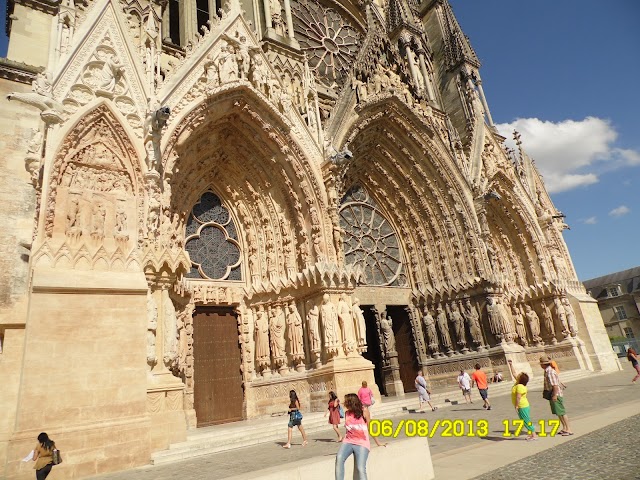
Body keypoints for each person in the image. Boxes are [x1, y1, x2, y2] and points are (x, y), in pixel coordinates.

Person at [335, 393, 370, 480]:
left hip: (362, 443)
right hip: (348, 441)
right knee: (339, 458)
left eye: (346, 401)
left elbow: (370, 427)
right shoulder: (347, 413)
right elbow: (348, 429)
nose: (344, 403)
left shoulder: (364, 411)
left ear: (351, 403)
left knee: (360, 468)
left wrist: (378, 442)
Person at [540, 355, 573, 436]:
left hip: (555, 394)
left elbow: (554, 385)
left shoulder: (550, 372)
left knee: (561, 412)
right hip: (553, 393)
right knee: (558, 412)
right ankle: (564, 428)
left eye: (541, 364)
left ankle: (569, 429)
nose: (540, 365)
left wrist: (554, 395)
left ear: (543, 364)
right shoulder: (548, 371)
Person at [507, 360, 537, 441]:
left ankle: (534, 435)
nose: (518, 375)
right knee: (524, 420)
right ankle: (530, 434)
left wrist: (516, 406)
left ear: (521, 379)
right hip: (522, 405)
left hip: (522, 406)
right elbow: (514, 374)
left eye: (519, 375)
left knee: (526, 420)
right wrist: (510, 365)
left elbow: (518, 397)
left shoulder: (520, 386)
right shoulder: (518, 383)